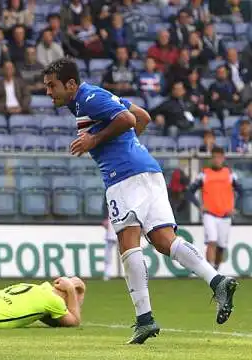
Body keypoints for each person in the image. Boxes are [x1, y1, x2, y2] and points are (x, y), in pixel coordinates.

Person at [41, 58, 238, 344]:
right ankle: (217, 281)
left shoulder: (88, 99)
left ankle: (145, 319)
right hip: (148, 170)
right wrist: (125, 145)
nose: (48, 92)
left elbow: (129, 120)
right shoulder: (97, 96)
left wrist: (95, 141)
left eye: (52, 86)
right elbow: (142, 117)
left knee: (128, 245)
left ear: (71, 84)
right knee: (163, 240)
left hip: (123, 177)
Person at [185, 147, 243, 270]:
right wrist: (199, 205)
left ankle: (216, 268)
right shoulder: (204, 174)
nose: (217, 160)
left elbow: (241, 191)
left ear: (223, 158)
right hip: (209, 214)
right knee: (212, 241)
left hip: (226, 214)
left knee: (221, 246)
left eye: (219, 157)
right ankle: (210, 271)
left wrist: (235, 207)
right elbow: (189, 192)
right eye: (214, 157)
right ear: (211, 158)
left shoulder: (230, 174)